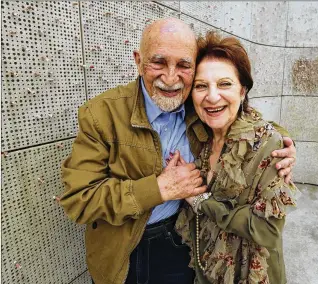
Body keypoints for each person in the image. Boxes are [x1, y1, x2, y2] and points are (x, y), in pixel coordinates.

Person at [59, 18, 296, 284]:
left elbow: (240, 117)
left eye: (183, 65)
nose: (170, 78)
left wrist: (283, 141)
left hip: (184, 240)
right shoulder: (101, 114)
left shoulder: (198, 103)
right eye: (158, 62)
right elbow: (79, 198)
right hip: (123, 248)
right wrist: (159, 189)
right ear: (138, 60)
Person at [174, 31, 300, 284]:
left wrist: (202, 201)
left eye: (224, 84)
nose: (211, 96)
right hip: (207, 265)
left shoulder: (269, 145)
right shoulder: (201, 134)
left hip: (249, 272)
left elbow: (268, 229)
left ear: (242, 90)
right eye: (201, 86)